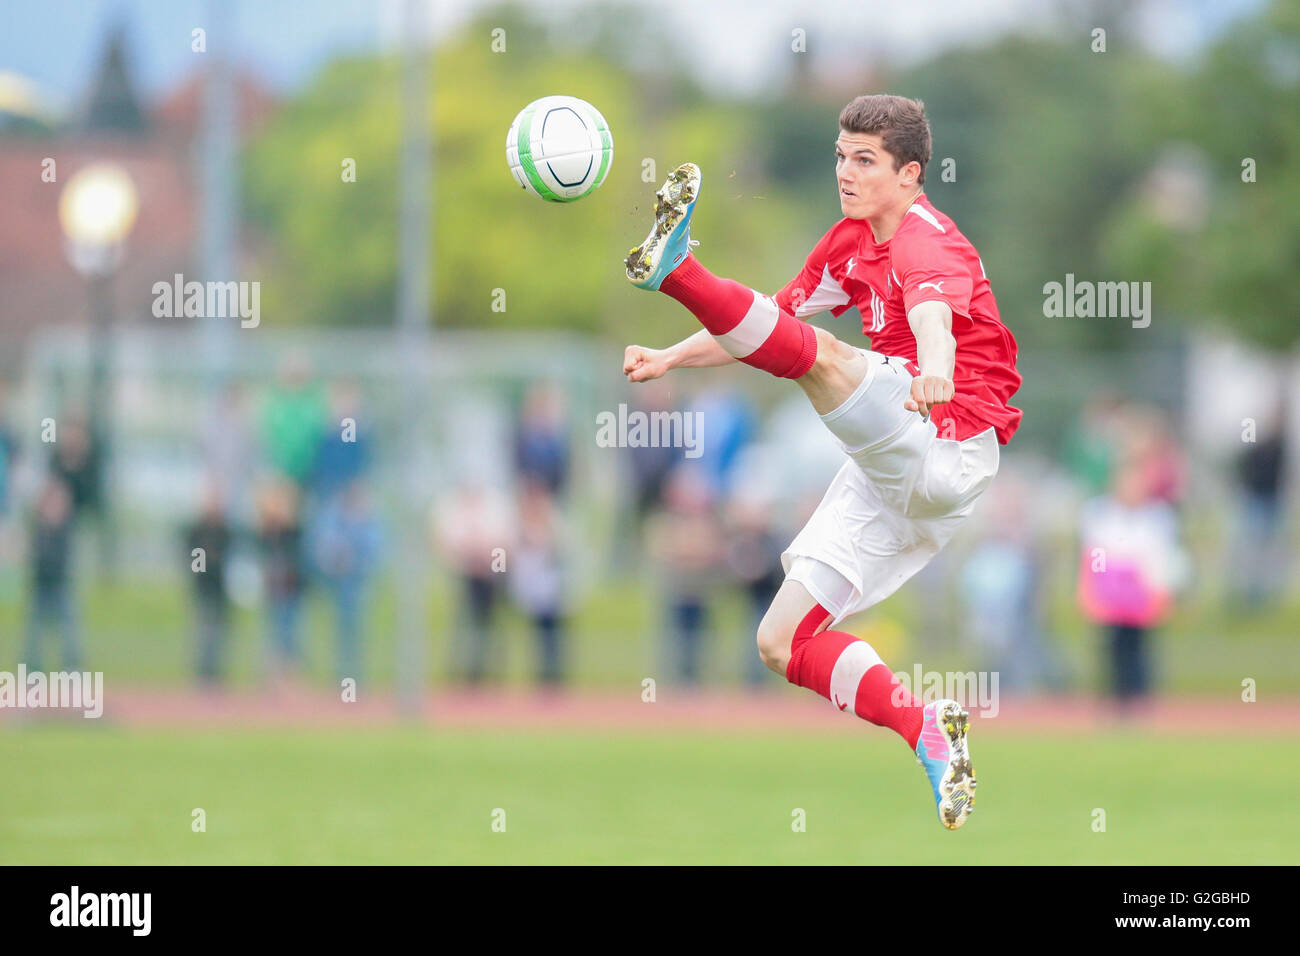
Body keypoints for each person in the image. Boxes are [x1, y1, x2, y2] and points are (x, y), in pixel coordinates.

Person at [621, 94, 1023, 829]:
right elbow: (767, 325)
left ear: (910, 174)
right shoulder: (848, 243)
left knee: (828, 362)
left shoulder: (927, 241)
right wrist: (671, 356)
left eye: (865, 160)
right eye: (841, 155)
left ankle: (677, 271)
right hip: (891, 470)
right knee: (780, 641)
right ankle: (927, 731)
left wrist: (935, 368)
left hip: (947, 437)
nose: (846, 172)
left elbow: (933, 320)